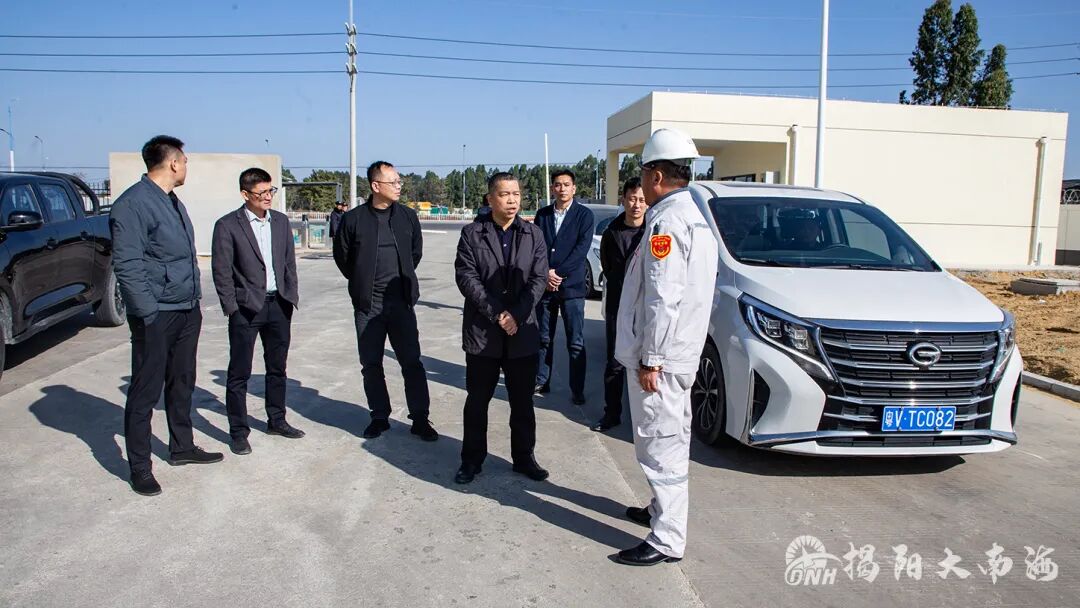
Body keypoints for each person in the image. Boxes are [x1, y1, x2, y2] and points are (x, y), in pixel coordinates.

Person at [613, 128, 719, 566]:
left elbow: (663, 295)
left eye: (643, 173)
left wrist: (651, 359)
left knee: (661, 445)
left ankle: (666, 538)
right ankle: (661, 510)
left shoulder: (667, 222)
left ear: (656, 175)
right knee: (669, 437)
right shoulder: (696, 216)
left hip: (663, 357)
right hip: (680, 351)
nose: (641, 182)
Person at [110, 135, 223, 496]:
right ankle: (140, 467)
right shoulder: (133, 204)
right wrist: (148, 313)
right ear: (173, 163)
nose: (187, 166)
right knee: (145, 391)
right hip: (157, 313)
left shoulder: (172, 201)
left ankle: (182, 447)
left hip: (186, 308)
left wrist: (194, 301)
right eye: (185, 161)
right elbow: (127, 265)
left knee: (182, 381)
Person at [453, 172, 550, 484]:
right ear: (490, 198)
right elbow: (467, 277)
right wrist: (497, 314)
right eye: (505, 194)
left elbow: (538, 279)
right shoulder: (472, 234)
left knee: (522, 402)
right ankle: (471, 460)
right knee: (477, 401)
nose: (512, 200)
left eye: (516, 194)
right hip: (483, 332)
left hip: (522, 332)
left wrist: (516, 316)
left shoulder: (533, 234)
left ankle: (524, 458)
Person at [333, 161, 438, 441]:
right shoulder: (353, 219)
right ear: (375, 186)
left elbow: (415, 253)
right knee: (371, 364)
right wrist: (361, 281)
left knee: (412, 362)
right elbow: (343, 257)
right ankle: (379, 417)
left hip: (401, 303)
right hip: (368, 306)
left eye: (399, 181)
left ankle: (420, 418)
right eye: (393, 182)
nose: (399, 186)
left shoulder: (407, 217)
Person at [211, 168, 304, 456]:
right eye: (261, 192)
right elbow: (221, 271)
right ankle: (239, 432)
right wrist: (231, 307)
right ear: (245, 194)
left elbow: (288, 263)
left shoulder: (280, 222)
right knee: (240, 372)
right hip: (246, 308)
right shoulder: (227, 225)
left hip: (279, 305)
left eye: (270, 191)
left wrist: (290, 294)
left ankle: (277, 420)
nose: (267, 197)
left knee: (277, 368)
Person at [532, 169, 594, 404]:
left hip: (572, 288)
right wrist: (546, 273)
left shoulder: (584, 215)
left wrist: (558, 273)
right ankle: (541, 380)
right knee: (543, 338)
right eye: (557, 185)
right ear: (552, 188)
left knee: (575, 341)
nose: (562, 189)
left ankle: (577, 389)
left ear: (574, 188)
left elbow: (581, 250)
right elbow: (537, 247)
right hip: (546, 287)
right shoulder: (543, 215)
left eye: (566, 184)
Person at [591, 177, 647, 433]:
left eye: (642, 200)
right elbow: (607, 266)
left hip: (645, 306)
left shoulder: (654, 231)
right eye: (632, 199)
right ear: (623, 200)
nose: (637, 205)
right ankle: (611, 413)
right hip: (618, 304)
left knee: (645, 362)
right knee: (614, 362)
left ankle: (643, 418)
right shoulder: (611, 233)